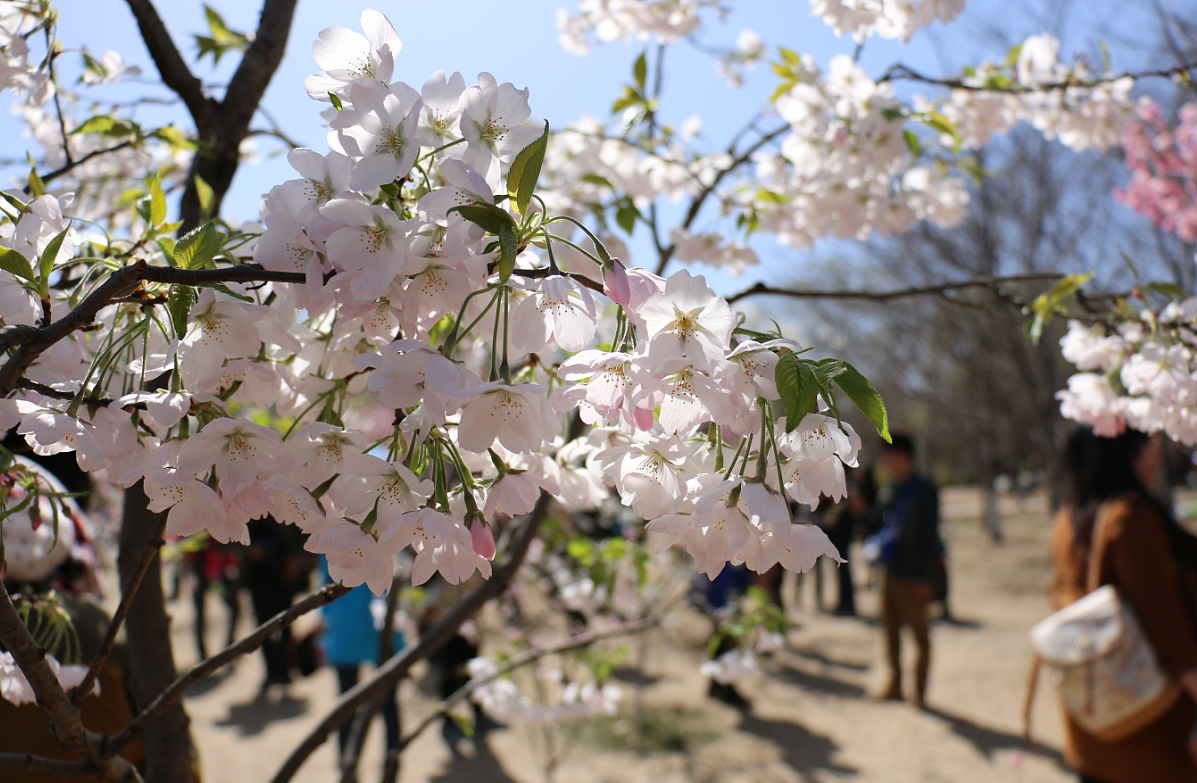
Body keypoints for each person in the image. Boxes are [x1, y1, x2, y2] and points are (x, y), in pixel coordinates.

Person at [1050, 427, 1197, 783]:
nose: (1157, 454)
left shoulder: (1067, 520)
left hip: (1096, 719)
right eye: (1150, 445)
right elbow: (1163, 620)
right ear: (1126, 452)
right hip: (1151, 726)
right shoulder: (1131, 519)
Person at [868, 433, 940, 708]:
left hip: (914, 576)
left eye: (892, 456)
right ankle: (895, 683)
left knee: (920, 635)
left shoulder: (925, 490)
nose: (887, 462)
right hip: (890, 571)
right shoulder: (891, 488)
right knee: (890, 631)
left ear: (906, 457)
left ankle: (919, 690)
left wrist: (925, 577)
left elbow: (930, 538)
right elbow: (876, 520)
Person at [317, 556, 404, 761]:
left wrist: (329, 618)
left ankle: (347, 768)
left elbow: (324, 585)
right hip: (384, 629)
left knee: (347, 709)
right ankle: (391, 767)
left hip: (347, 631)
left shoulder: (332, 535)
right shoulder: (390, 532)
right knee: (389, 705)